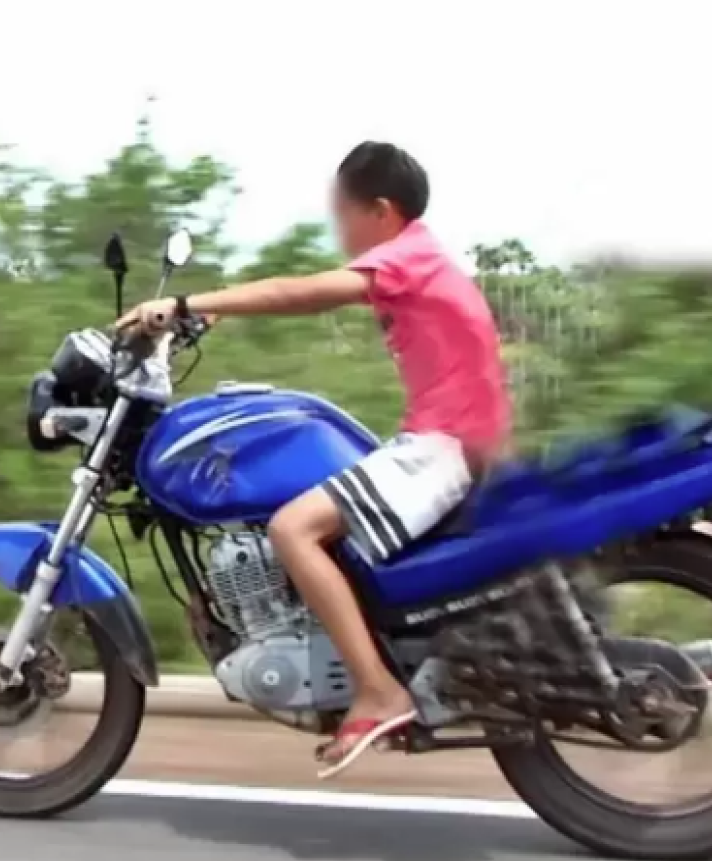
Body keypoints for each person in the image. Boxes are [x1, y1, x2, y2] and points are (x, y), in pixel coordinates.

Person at [117, 141, 512, 778]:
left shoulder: (406, 256)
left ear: (381, 211)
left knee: (292, 528)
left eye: (344, 215)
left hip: (443, 447)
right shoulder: (425, 260)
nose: (340, 231)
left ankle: (379, 692)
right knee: (318, 526)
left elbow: (299, 293)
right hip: (456, 443)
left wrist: (192, 304)